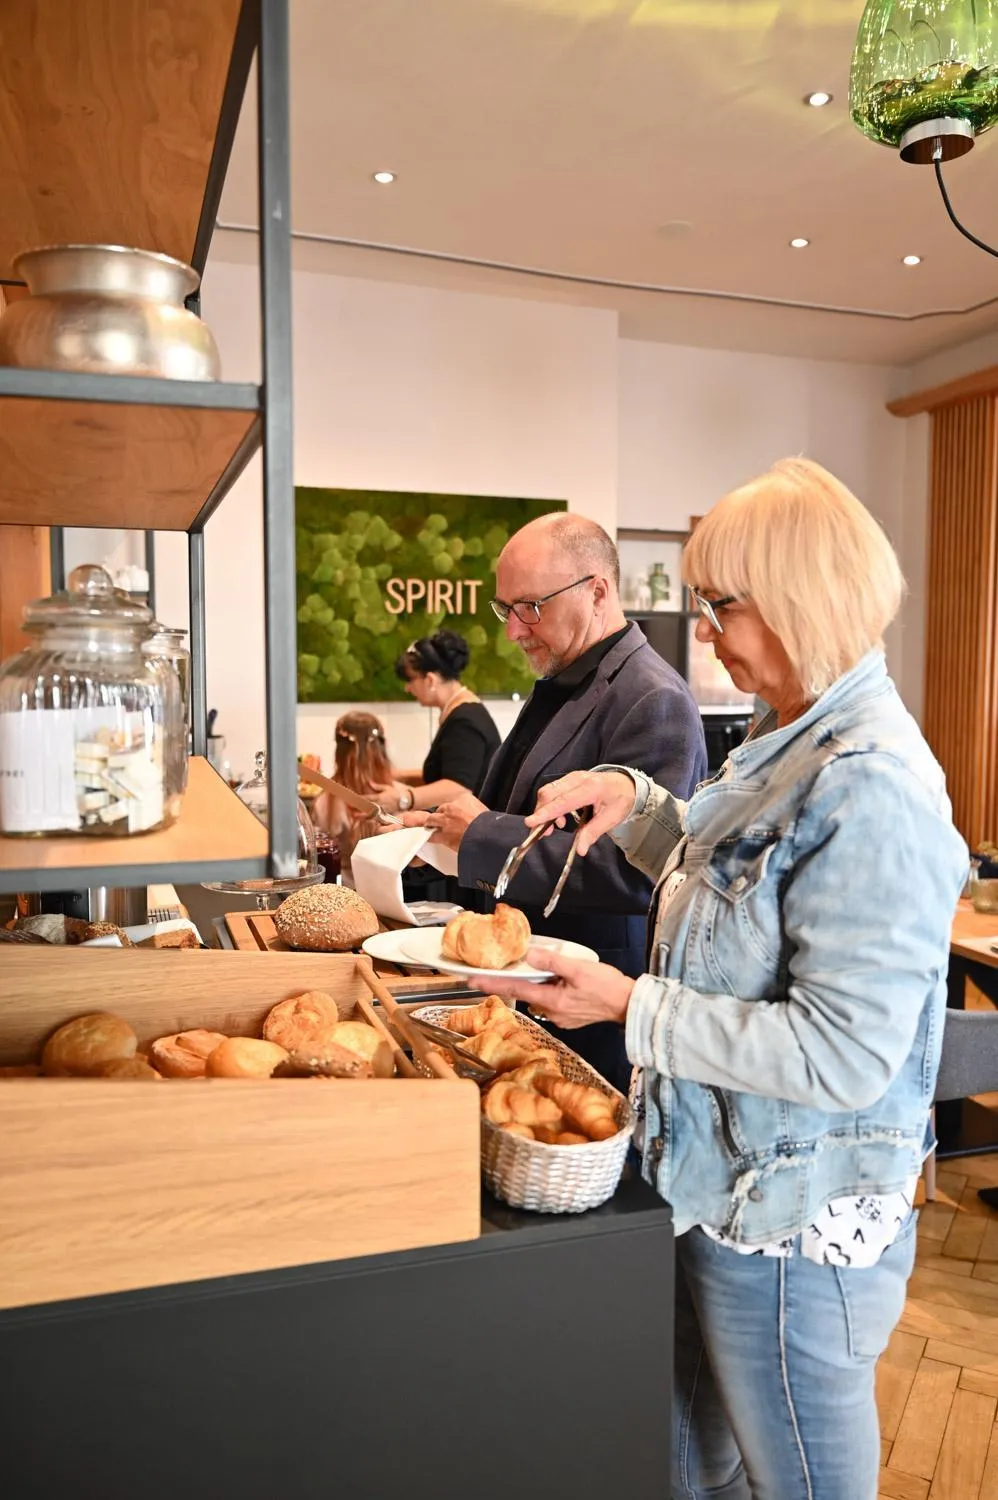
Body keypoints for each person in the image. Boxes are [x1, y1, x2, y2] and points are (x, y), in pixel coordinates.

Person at [485, 458, 969, 1500]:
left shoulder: (871, 785)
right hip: (714, 1183)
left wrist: (626, 1006)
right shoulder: (778, 739)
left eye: (719, 606)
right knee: (693, 1474)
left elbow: (839, 1055)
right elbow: (734, 901)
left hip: (792, 1219)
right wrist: (634, 798)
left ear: (800, 593)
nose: (701, 632)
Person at [404, 512, 707, 1093]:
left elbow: (637, 874)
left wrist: (480, 837)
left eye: (530, 607)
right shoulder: (569, 678)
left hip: (589, 1009)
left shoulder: (653, 698)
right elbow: (507, 816)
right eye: (505, 609)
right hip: (522, 981)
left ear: (598, 590)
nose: (514, 630)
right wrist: (437, 844)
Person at [375, 630, 500, 813]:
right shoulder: (461, 712)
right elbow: (452, 770)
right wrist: (398, 776)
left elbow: (458, 788)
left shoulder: (465, 722)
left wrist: (405, 799)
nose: (407, 688)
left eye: (410, 680)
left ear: (430, 680)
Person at [312, 711, 394, 871]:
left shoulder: (325, 803)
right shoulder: (398, 796)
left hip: (342, 890)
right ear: (381, 749)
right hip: (393, 888)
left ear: (339, 752)